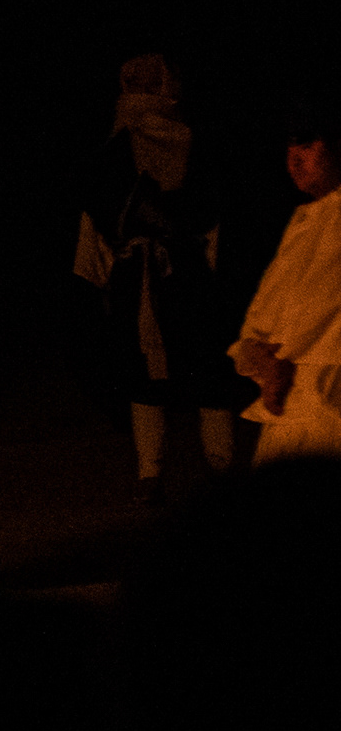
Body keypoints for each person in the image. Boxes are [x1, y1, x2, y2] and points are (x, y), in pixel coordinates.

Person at [73, 53, 247, 504]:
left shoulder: (178, 145)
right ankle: (161, 476)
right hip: (161, 277)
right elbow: (102, 220)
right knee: (162, 375)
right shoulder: (120, 151)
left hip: (175, 276)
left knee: (196, 374)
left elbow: (97, 233)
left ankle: (201, 473)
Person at [230, 107, 341, 461]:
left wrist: (278, 356)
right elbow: (265, 312)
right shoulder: (307, 220)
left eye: (307, 147)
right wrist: (255, 353)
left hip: (328, 400)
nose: (293, 161)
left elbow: (317, 309)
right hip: (291, 405)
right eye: (289, 149)